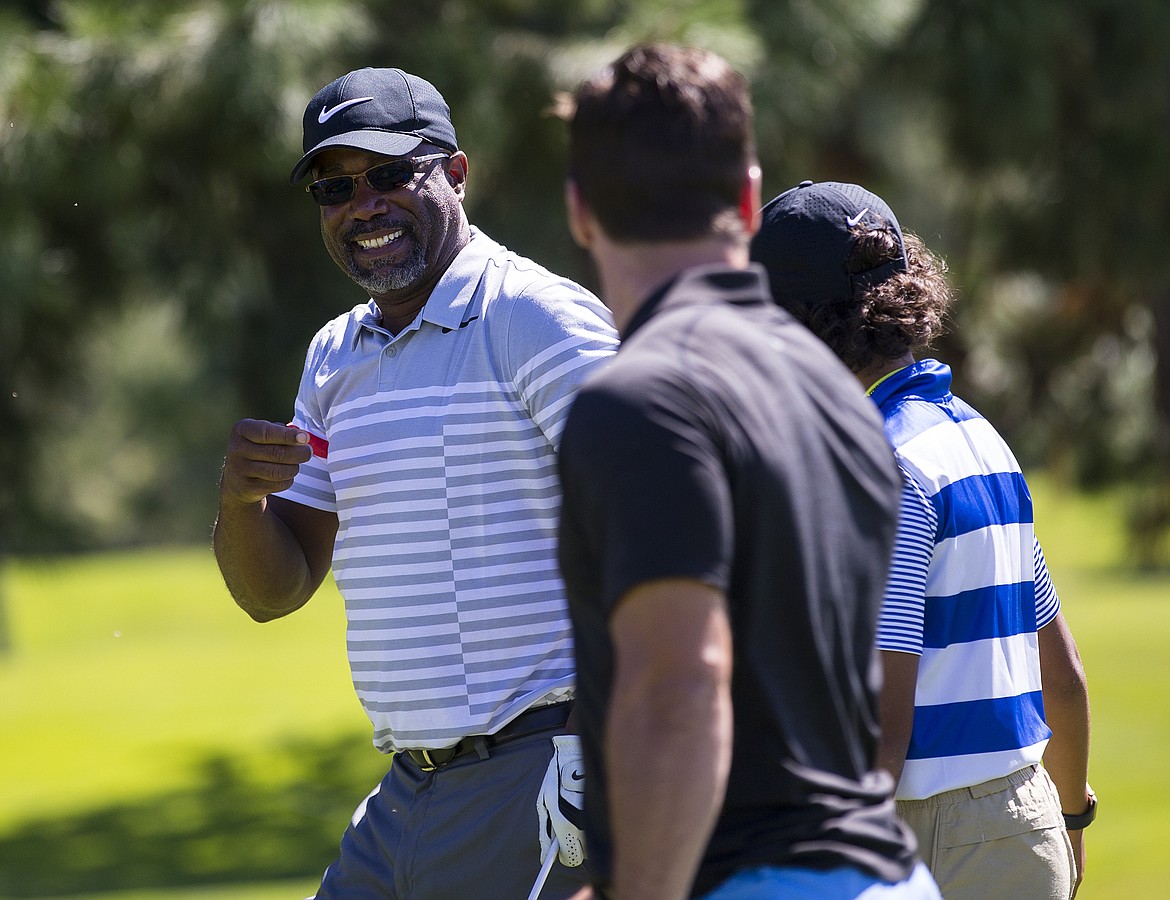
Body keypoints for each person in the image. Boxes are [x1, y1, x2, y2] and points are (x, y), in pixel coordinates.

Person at [212, 66, 617, 899]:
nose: (364, 204)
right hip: (407, 790)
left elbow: (657, 523)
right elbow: (275, 589)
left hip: (539, 766)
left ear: (456, 174)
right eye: (335, 187)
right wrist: (239, 502)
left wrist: (595, 751)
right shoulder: (335, 356)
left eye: (393, 173)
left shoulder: (532, 316)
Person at [556, 44, 941, 900]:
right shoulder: (843, 398)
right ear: (745, 197)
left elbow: (681, 685)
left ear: (582, 211)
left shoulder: (642, 398)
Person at [750, 180, 1094, 900]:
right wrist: (1069, 818)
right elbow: (1060, 673)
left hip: (929, 839)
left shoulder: (881, 467)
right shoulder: (979, 437)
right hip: (1026, 821)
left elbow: (882, 721)